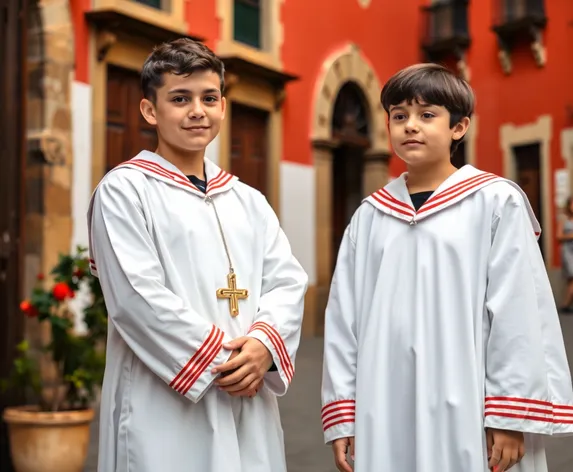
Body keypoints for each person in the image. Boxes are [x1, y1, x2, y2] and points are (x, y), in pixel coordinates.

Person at [321, 63, 573, 472]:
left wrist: (508, 416)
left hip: (471, 402)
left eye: (427, 115)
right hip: (385, 402)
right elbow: (342, 321)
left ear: (459, 128)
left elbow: (519, 313)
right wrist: (342, 412)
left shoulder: (493, 203)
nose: (410, 126)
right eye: (399, 116)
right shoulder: (370, 216)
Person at [87, 38, 308, 472]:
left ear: (223, 107)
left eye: (209, 98)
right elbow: (136, 298)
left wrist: (264, 344)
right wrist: (225, 361)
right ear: (150, 111)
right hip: (166, 399)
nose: (197, 111)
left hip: (249, 398)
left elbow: (286, 280)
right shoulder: (124, 190)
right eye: (180, 98)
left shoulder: (249, 199)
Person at [557, 196, 573, 313]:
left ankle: (566, 303)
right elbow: (559, 236)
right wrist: (571, 236)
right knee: (571, 276)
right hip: (568, 251)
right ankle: (565, 304)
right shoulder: (564, 219)